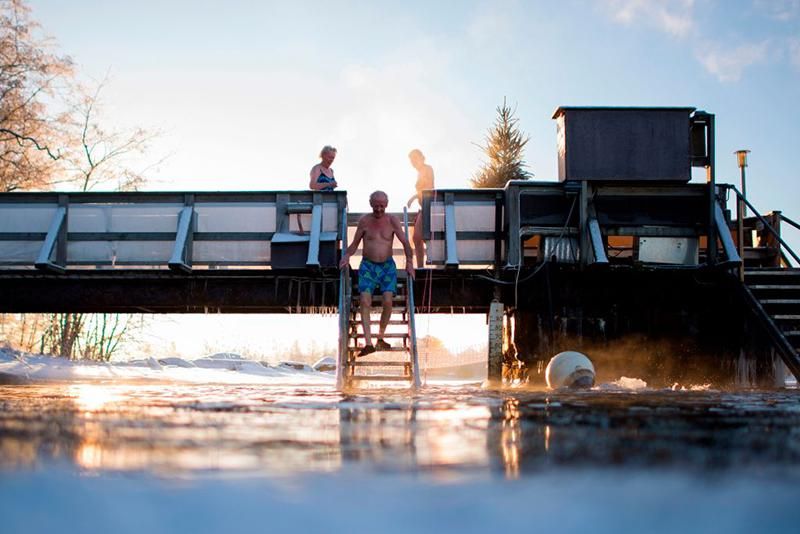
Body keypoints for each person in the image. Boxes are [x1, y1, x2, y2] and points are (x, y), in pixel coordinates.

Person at [339, 191, 415, 356]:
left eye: (382, 206)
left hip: (387, 267)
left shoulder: (392, 220)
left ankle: (380, 338)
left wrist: (409, 262)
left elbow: (405, 243)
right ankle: (368, 344)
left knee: (388, 301)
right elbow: (354, 244)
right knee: (365, 301)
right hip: (368, 266)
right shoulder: (365, 221)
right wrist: (347, 255)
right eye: (376, 206)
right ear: (371, 204)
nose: (379, 209)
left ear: (386, 205)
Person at [405, 149, 434, 268]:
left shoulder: (427, 169)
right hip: (424, 206)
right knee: (416, 237)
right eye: (411, 160)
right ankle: (420, 265)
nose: (413, 162)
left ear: (422, 158)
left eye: (414, 159)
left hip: (430, 206)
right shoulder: (420, 172)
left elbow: (429, 188)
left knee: (417, 236)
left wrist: (414, 197)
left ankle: (422, 266)